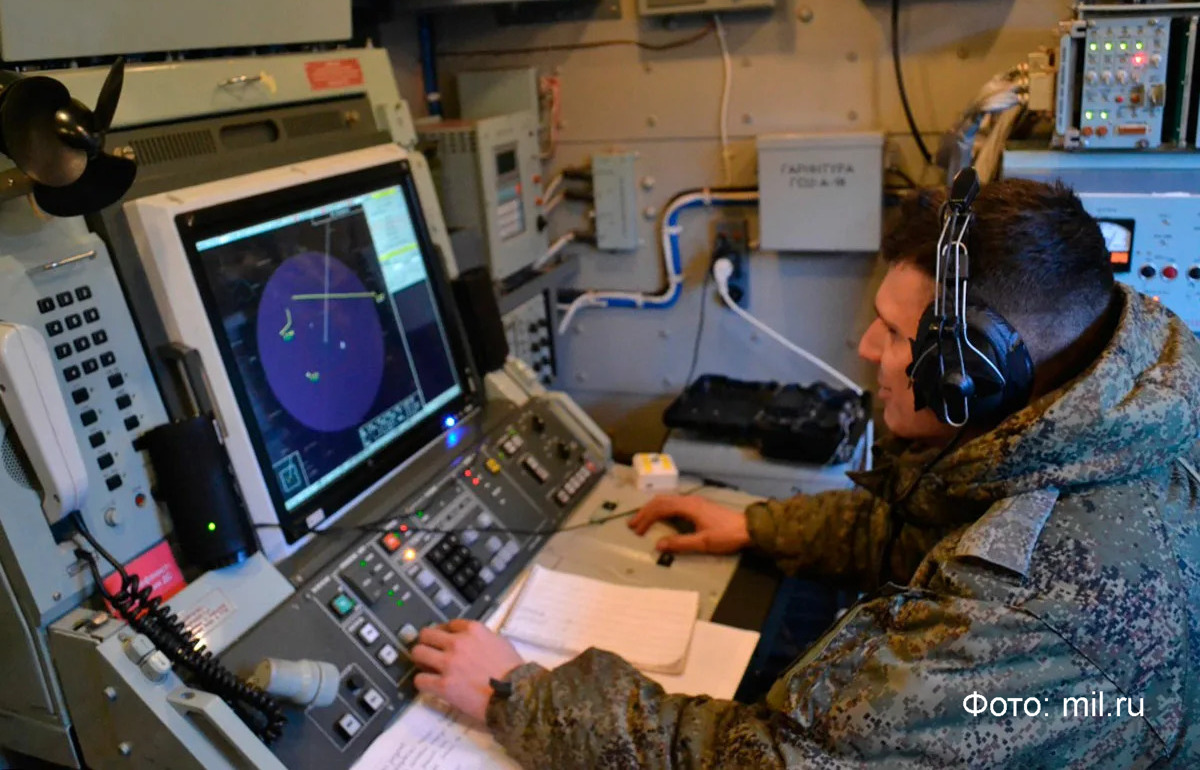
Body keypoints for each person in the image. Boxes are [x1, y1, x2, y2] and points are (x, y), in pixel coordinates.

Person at [409, 179, 1200, 768]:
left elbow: (775, 762)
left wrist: (518, 697)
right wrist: (755, 525)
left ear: (977, 376)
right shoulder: (1093, 416)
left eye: (892, 334)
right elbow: (931, 525)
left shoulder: (1036, 610)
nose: (864, 348)